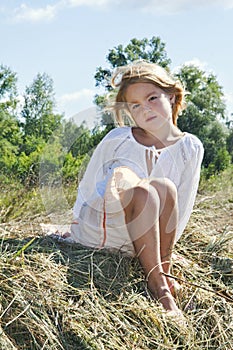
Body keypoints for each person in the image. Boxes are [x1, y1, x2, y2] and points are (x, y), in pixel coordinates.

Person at [70, 60, 204, 317]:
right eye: (136, 105)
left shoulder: (190, 147)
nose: (145, 109)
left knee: (164, 187)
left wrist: (165, 252)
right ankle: (159, 288)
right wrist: (74, 229)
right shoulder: (118, 139)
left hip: (146, 241)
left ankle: (160, 271)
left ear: (172, 96)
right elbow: (88, 188)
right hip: (104, 228)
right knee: (140, 188)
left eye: (152, 98)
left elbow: (182, 206)